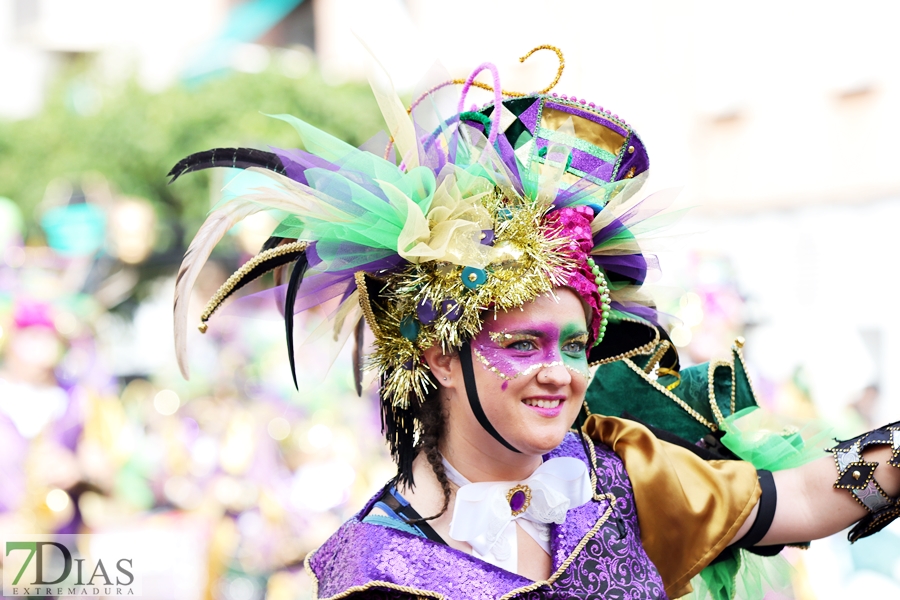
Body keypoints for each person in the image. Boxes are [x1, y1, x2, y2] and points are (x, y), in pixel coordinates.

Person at [170, 47, 900, 599]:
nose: (561, 371)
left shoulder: (621, 470)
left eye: (576, 345)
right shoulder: (374, 572)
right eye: (521, 343)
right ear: (439, 356)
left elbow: (798, 497)